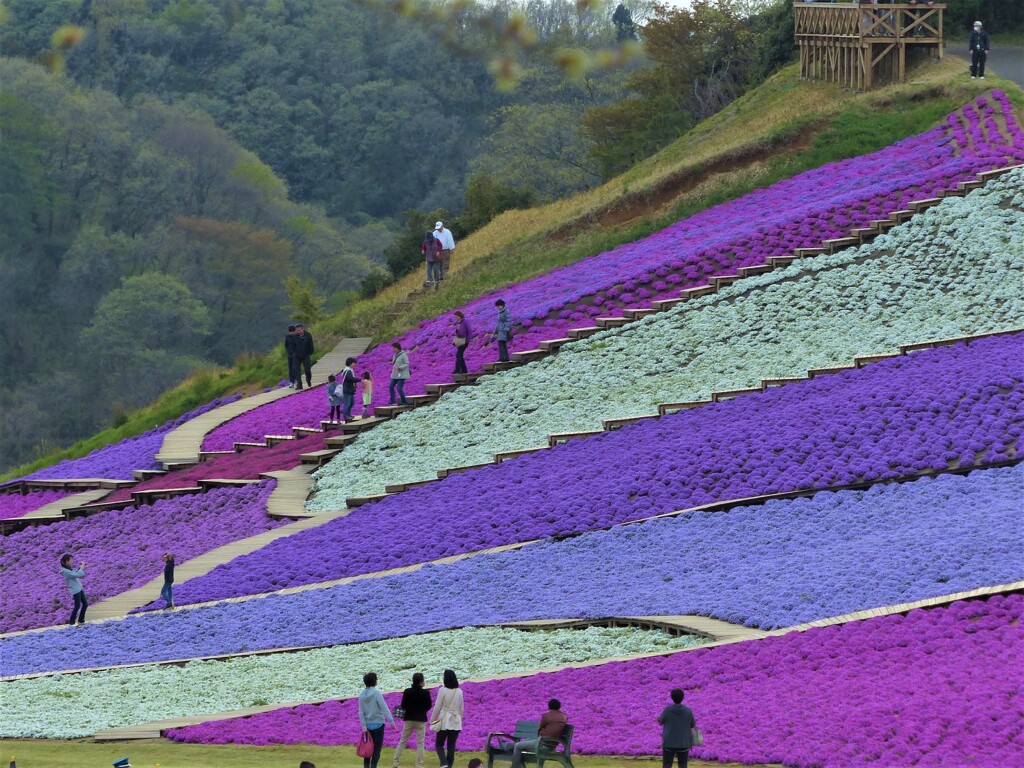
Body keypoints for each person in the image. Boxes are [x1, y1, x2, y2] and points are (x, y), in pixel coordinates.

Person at [509, 699, 567, 768]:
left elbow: (539, 728)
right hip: (553, 745)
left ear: (549, 706)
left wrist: (542, 733)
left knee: (518, 746)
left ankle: (514, 765)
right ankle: (510, 748)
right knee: (527, 740)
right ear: (559, 706)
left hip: (543, 745)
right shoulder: (564, 716)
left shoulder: (546, 715)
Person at [393, 672, 433, 768]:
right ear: (421, 681)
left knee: (403, 740)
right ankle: (419, 764)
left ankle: (396, 761)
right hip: (421, 719)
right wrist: (422, 710)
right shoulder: (426, 693)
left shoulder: (407, 692)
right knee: (420, 742)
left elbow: (403, 705)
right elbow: (428, 706)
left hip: (409, 718)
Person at [359, 672, 397, 768]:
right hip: (379, 724)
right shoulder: (376, 693)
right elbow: (384, 708)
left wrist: (363, 726)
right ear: (374, 681)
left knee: (368, 749)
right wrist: (391, 722)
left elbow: (361, 712)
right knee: (376, 750)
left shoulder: (362, 695)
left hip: (368, 725)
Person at [430, 669, 463, 768]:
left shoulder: (442, 690)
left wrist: (432, 719)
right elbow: (461, 709)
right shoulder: (459, 691)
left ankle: (444, 764)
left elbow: (437, 707)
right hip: (455, 721)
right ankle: (449, 766)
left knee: (439, 744)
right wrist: (459, 719)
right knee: (451, 746)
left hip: (444, 721)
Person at [658, 688, 697, 768]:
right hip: (684, 742)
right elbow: (692, 724)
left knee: (667, 765)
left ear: (671, 697)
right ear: (683, 697)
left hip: (669, 743)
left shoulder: (667, 710)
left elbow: (660, 721)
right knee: (683, 765)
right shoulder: (688, 711)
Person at [59, 553, 87, 625]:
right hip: (75, 590)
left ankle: (81, 620)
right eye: (71, 560)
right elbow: (75, 575)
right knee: (77, 606)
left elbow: (76, 573)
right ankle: (71, 622)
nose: (72, 561)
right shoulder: (65, 571)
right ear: (67, 561)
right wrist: (81, 568)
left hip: (79, 588)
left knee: (85, 604)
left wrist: (80, 568)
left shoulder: (68, 569)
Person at [339, 358, 360, 422]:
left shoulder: (348, 370)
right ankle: (346, 416)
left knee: (351, 402)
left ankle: (348, 414)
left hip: (350, 389)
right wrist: (359, 380)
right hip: (347, 389)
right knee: (347, 403)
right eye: (354, 363)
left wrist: (355, 384)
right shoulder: (348, 370)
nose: (355, 364)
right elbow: (350, 378)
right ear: (350, 363)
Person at [294, 323, 314, 389]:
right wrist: (293, 353)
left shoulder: (308, 335)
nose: (299, 331)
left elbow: (311, 345)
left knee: (307, 370)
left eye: (299, 330)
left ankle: (308, 380)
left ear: (303, 329)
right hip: (297, 356)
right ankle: (299, 384)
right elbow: (292, 346)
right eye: (297, 330)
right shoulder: (295, 337)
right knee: (297, 370)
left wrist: (310, 352)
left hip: (306, 355)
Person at [452, 311, 470, 375]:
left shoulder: (465, 321)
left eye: (456, 316)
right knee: (459, 355)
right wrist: (457, 330)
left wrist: (468, 340)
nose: (455, 318)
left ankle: (457, 369)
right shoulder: (458, 323)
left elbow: (469, 330)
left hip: (464, 340)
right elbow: (457, 332)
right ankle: (464, 370)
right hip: (460, 340)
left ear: (459, 316)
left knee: (459, 355)